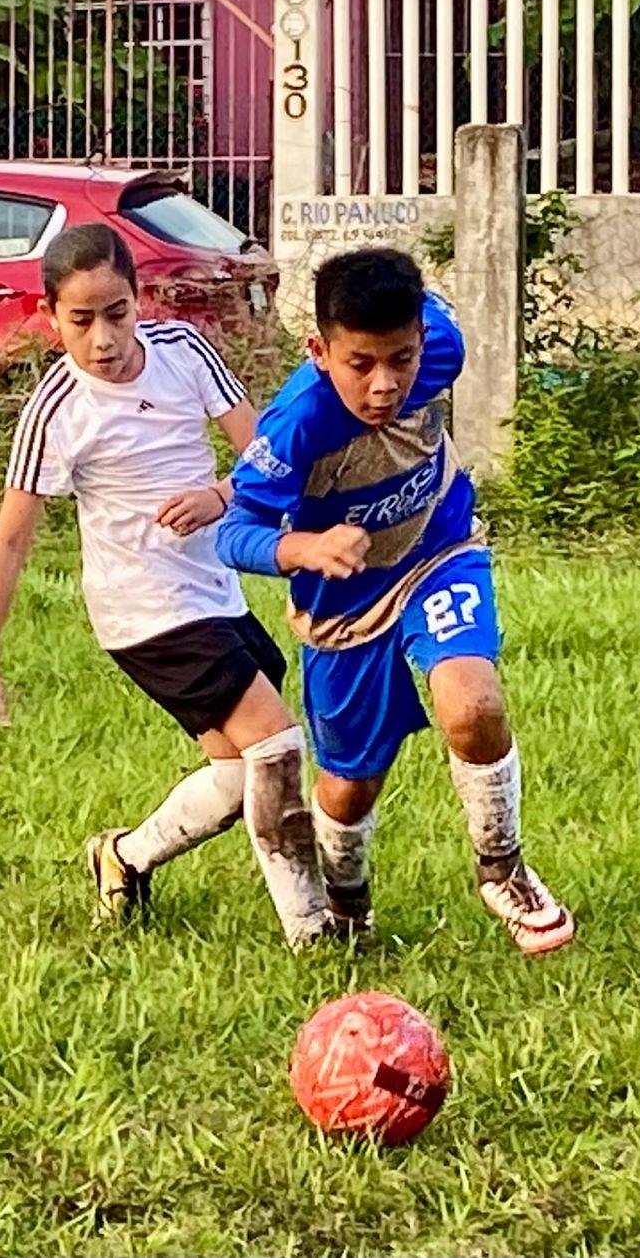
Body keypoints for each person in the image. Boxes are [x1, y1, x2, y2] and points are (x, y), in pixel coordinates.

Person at [0, 223, 330, 949]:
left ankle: (122, 858)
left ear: (139, 300)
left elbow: (266, 456)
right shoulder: (57, 409)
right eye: (81, 321)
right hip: (144, 614)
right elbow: (10, 539)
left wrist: (226, 497)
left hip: (216, 589)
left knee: (235, 773)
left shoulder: (185, 352)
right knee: (276, 743)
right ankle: (315, 936)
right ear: (50, 316)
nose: (103, 339)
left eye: (117, 314)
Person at [215, 247, 575, 955]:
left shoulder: (442, 344)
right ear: (320, 350)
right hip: (343, 609)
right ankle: (349, 900)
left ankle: (503, 869)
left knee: (473, 705)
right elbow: (234, 533)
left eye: (401, 360)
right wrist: (304, 550)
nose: (385, 385)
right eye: (361, 365)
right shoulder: (297, 425)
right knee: (349, 787)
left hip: (437, 550)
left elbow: (428, 314)